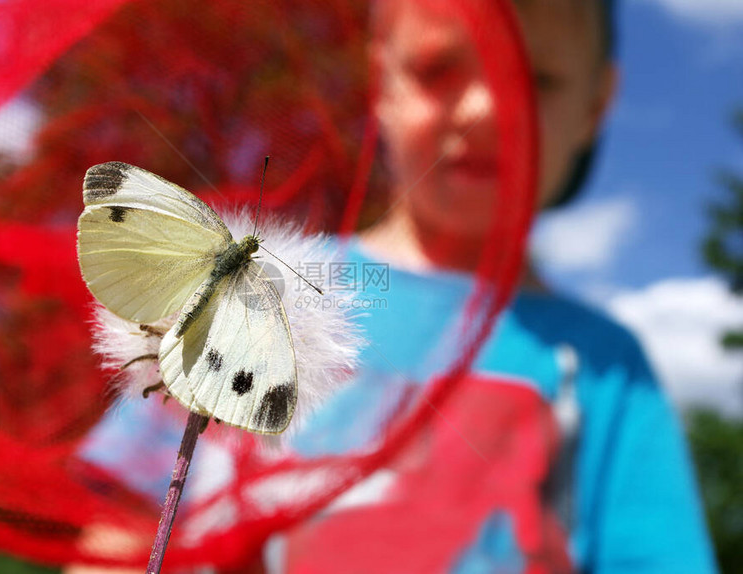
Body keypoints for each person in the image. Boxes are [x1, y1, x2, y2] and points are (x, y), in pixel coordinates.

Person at [261, 0, 718, 572]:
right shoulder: (267, 293)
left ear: (595, 106)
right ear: (382, 83)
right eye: (436, 70)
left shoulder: (609, 369)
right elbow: (131, 512)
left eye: (537, 80)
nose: (484, 107)